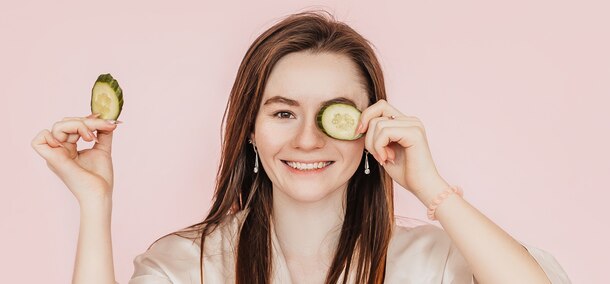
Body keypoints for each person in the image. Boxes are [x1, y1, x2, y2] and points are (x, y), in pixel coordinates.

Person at [32, 10, 570, 284]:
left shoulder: (432, 260)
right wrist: (94, 203)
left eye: (333, 115)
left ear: (370, 128)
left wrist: (430, 186)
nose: (307, 139)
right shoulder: (190, 264)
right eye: (283, 112)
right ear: (249, 128)